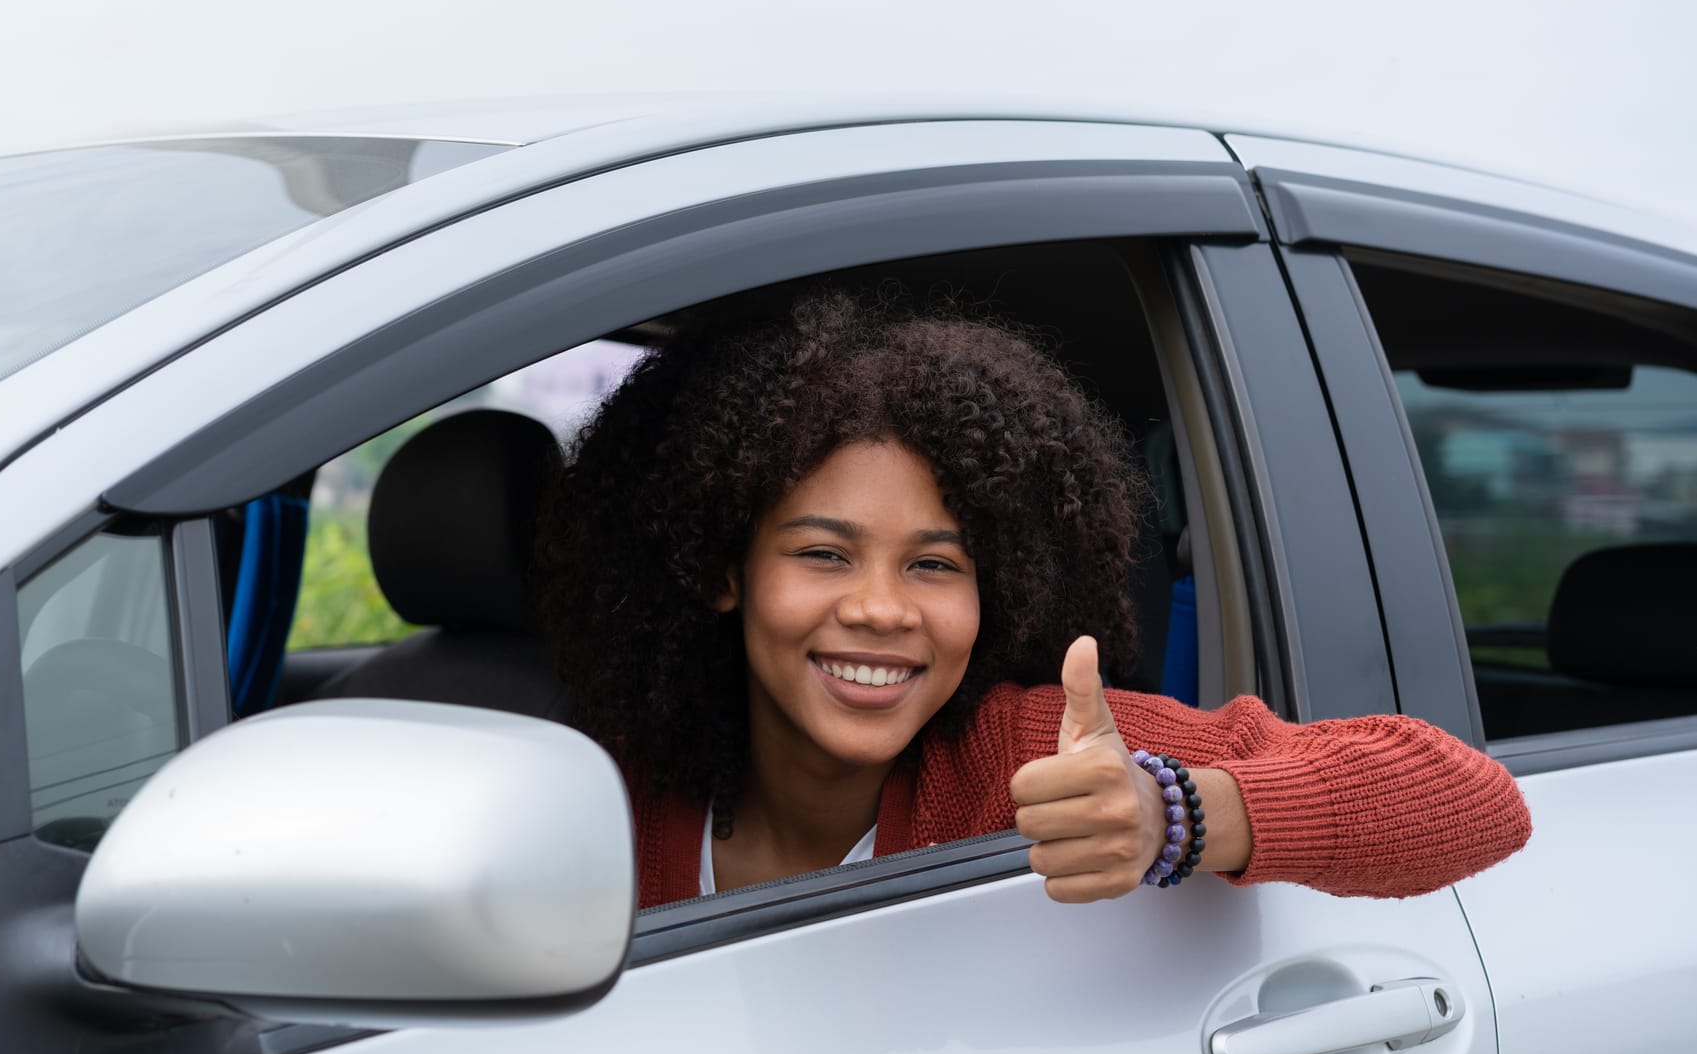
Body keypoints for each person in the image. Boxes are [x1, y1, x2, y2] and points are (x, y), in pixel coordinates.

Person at [535, 290, 1532, 908]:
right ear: (723, 570)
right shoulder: (616, 795)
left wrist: (1169, 814)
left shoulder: (1030, 752)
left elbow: (1471, 801)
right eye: (827, 555)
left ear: (995, 589)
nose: (883, 609)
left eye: (935, 565)